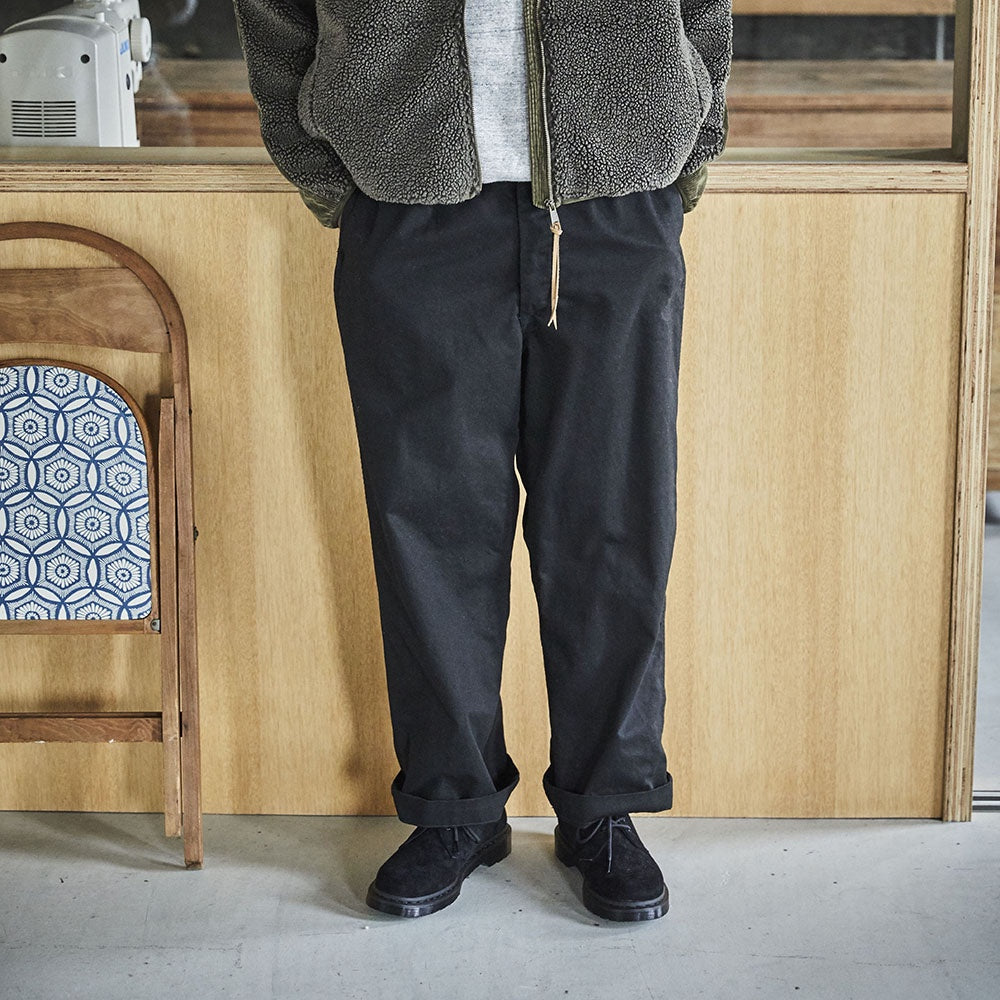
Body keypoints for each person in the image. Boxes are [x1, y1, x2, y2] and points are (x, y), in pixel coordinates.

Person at [233, 0, 732, 922]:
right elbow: (272, 14)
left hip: (615, 202)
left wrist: (684, 143)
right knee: (428, 524)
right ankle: (453, 807)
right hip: (410, 205)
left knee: (612, 518)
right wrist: (334, 172)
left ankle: (605, 805)